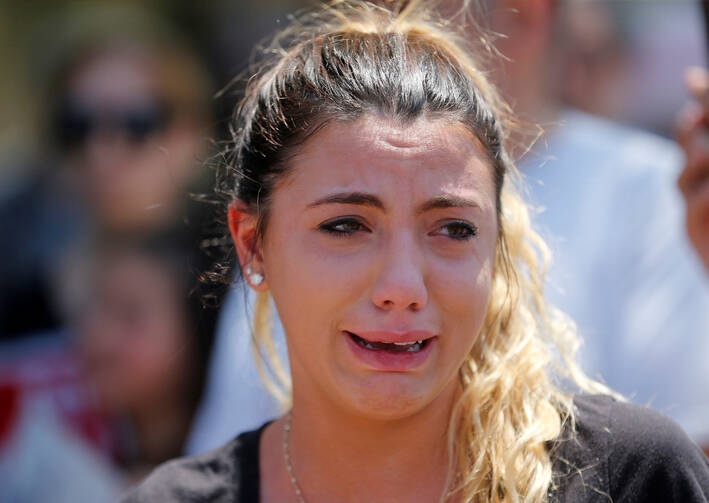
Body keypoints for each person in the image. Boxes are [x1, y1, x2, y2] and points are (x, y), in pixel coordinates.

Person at [123, 2, 709, 502]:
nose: (403, 285)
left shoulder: (632, 478)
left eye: (453, 229)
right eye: (346, 225)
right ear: (253, 244)